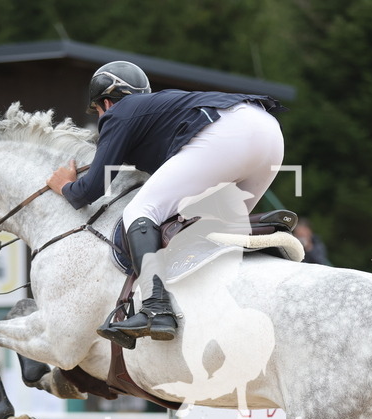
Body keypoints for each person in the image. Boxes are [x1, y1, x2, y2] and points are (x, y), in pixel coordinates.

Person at [47, 61, 287, 345]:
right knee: (213, 227)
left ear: (107, 103)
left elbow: (92, 189)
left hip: (229, 134)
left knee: (139, 211)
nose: (101, 117)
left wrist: (64, 185)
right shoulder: (156, 112)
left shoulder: (120, 112)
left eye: (98, 111)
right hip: (269, 134)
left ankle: (156, 307)